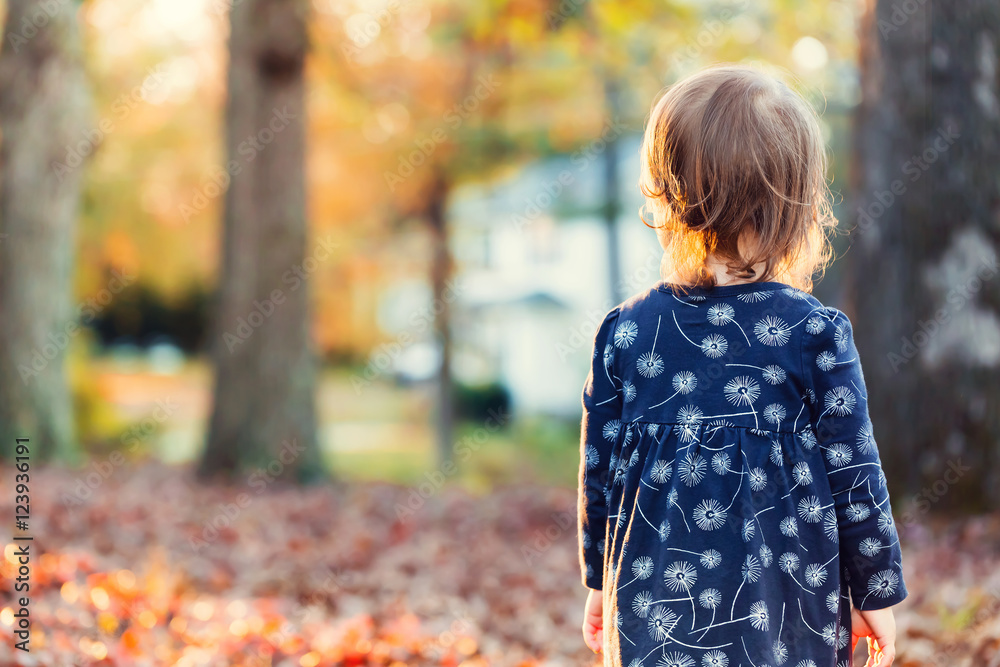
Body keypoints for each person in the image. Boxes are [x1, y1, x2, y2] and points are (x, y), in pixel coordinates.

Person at [576, 64, 908, 667]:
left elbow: (601, 472)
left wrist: (600, 578)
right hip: (787, 609)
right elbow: (853, 473)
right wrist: (874, 590)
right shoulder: (813, 333)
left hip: (656, 609)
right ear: (795, 201)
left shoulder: (625, 332)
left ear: (667, 194)